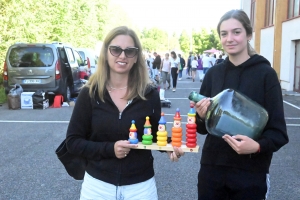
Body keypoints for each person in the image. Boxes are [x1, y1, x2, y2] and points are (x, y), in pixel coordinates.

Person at [66, 26, 184, 200]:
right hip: (98, 186)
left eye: (129, 51)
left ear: (136, 57)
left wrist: (169, 145)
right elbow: (73, 142)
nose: (122, 56)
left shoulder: (149, 93)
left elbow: (153, 133)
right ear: (106, 53)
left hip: (141, 187)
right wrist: (110, 149)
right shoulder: (89, 93)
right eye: (115, 50)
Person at [191, 10, 288, 200]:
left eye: (236, 32)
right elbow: (202, 129)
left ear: (249, 35)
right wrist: (202, 116)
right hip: (212, 170)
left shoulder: (265, 74)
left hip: (250, 172)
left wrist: (257, 146)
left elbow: (279, 132)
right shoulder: (213, 74)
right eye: (224, 34)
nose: (229, 39)